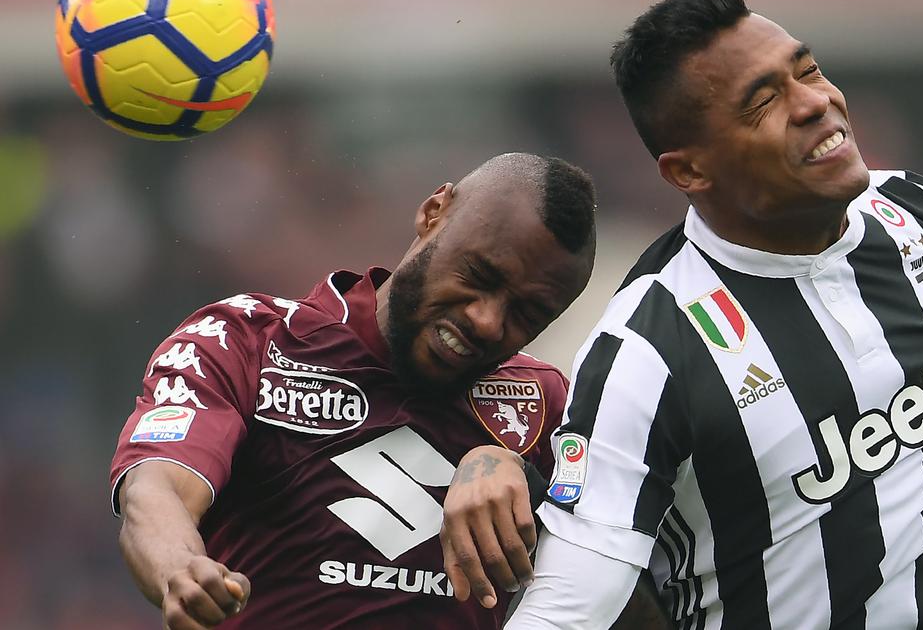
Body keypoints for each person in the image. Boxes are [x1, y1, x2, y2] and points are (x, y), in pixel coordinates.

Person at [445, 0, 923, 629]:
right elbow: (577, 597)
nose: (815, 103)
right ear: (688, 168)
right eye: (763, 101)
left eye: (806, 70)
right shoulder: (648, 346)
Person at [110, 153, 601, 629]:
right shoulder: (247, 339)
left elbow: (624, 590)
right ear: (433, 214)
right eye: (477, 276)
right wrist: (181, 569)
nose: (486, 321)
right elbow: (156, 488)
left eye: (526, 315)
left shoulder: (547, 407)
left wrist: (511, 467)